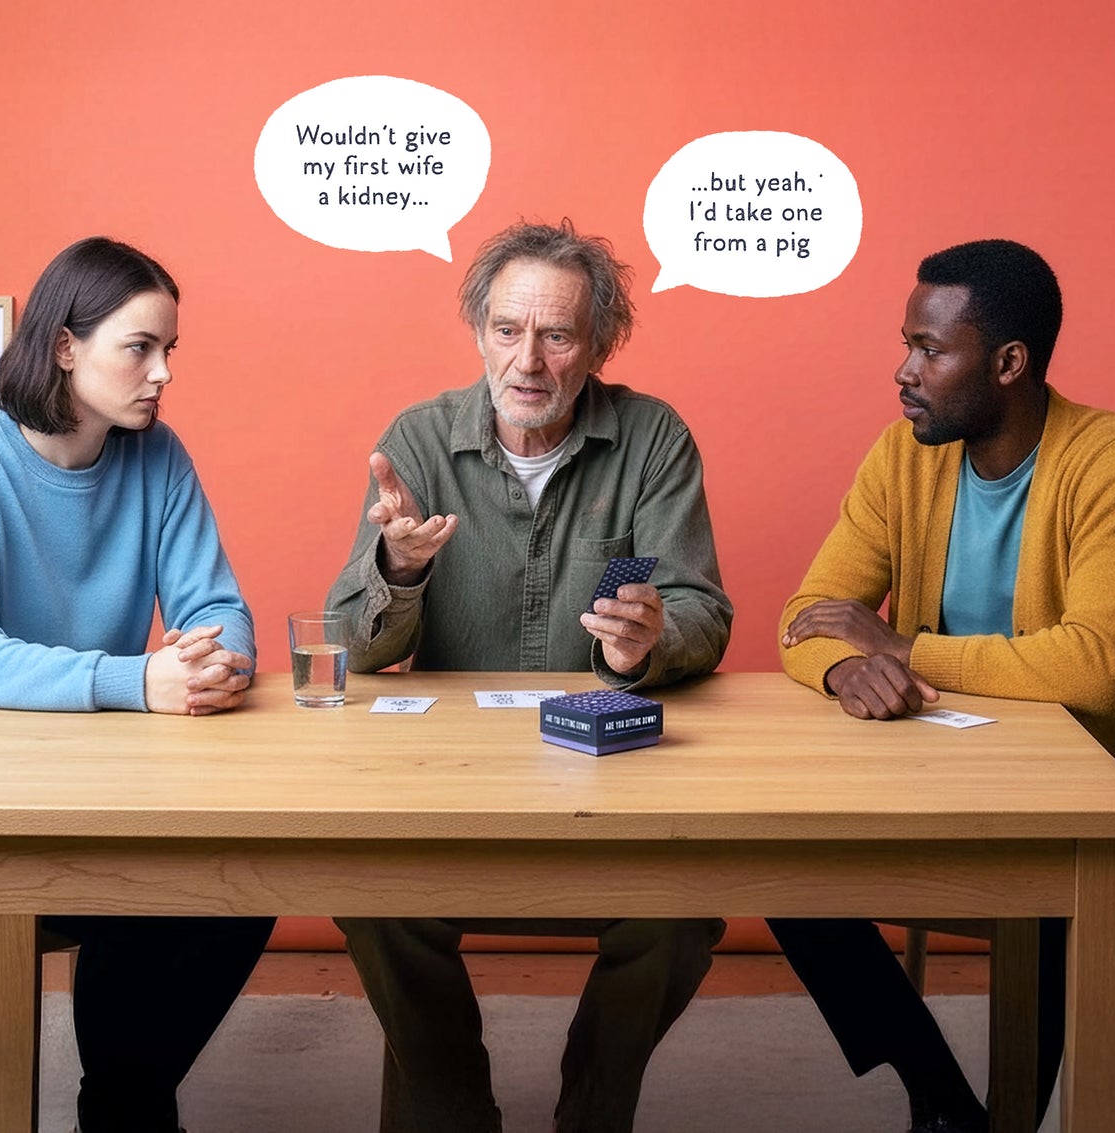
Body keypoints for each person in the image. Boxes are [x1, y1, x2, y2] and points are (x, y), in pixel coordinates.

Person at [769, 239, 1115, 1133]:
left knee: (1055, 899)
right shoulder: (906, 457)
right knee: (777, 857)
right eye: (907, 343)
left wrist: (906, 646)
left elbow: (1095, 670)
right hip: (951, 786)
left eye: (930, 350)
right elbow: (806, 615)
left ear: (1010, 363)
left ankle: (1014, 1117)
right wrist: (847, 663)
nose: (904, 371)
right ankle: (945, 1106)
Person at [0, 236, 274, 1133]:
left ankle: (120, 1104)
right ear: (66, 346)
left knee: (245, 877)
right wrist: (137, 680)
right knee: (138, 886)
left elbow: (219, 605)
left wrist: (214, 662)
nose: (162, 374)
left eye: (170, 352)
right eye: (139, 348)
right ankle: (128, 1110)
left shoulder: (156, 456)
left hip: (81, 784)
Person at [327, 220, 733, 1133]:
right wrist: (397, 572)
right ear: (478, 332)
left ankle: (592, 1111)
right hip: (446, 781)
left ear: (599, 345)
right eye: (508, 330)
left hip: (613, 779)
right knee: (368, 890)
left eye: (558, 335)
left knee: (682, 912)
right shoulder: (419, 443)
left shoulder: (653, 438)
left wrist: (647, 642)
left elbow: (704, 610)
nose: (530, 361)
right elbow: (353, 643)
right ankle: (452, 1108)